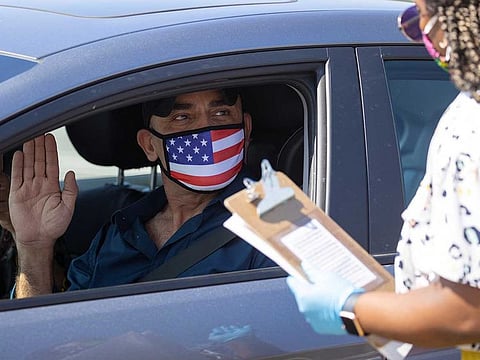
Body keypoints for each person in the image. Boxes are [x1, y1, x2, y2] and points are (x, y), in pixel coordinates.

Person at [287, 0, 480, 357]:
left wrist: (349, 308)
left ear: (457, 17)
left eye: (421, 13)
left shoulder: (472, 129)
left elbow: (468, 313)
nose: (413, 29)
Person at [8, 88, 276, 298]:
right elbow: (53, 336)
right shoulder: (117, 233)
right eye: (182, 118)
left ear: (246, 129)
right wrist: (34, 247)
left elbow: (298, 337)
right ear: (149, 145)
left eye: (221, 114)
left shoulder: (279, 218)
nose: (204, 131)